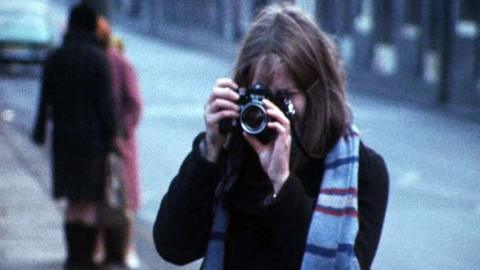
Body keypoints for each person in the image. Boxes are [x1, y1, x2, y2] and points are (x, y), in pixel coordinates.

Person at [153, 3, 389, 270]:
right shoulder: (233, 154)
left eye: (285, 96)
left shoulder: (360, 171)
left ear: (318, 92)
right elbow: (173, 247)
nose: (272, 109)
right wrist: (209, 152)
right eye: (262, 94)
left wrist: (282, 181)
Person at [32, 3, 117, 269]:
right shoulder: (98, 59)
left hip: (64, 139)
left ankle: (73, 256)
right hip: (92, 142)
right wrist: (112, 138)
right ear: (93, 26)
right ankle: (87, 257)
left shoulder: (56, 57)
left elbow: (45, 99)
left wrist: (40, 131)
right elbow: (106, 105)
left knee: (71, 200)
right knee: (90, 200)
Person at [95, 16, 143, 269]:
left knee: (123, 200)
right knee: (101, 200)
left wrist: (120, 131)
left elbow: (134, 103)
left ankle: (127, 248)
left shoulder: (119, 62)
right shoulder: (98, 60)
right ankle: (103, 248)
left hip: (120, 144)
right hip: (100, 142)